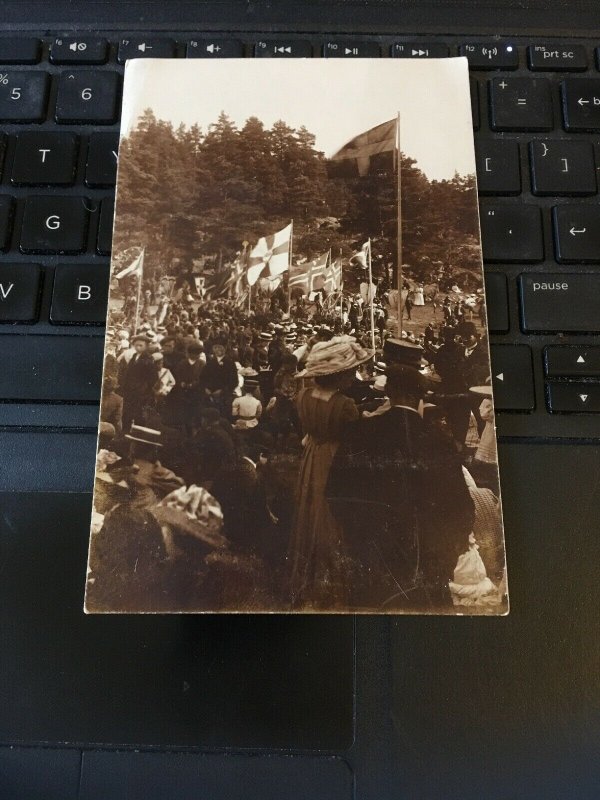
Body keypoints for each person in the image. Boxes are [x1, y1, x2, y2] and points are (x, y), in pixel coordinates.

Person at [327, 364, 474, 609]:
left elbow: (336, 493)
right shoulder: (438, 440)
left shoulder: (361, 431)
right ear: (420, 396)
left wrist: (357, 536)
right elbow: (461, 509)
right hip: (424, 563)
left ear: (389, 392)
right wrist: (445, 557)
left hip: (373, 557)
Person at [288, 335, 374, 609]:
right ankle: (331, 579)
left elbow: (319, 422)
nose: (352, 377)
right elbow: (351, 430)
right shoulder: (344, 403)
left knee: (311, 506)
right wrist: (368, 415)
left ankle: (309, 574)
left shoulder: (303, 395)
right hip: (333, 458)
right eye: (349, 373)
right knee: (330, 513)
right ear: (339, 376)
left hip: (312, 454)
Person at [120, 334, 159, 432]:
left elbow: (153, 377)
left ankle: (138, 433)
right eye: (136, 345)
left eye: (141, 345)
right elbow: (129, 372)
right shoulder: (134, 356)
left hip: (141, 392)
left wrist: (145, 388)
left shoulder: (148, 359)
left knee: (139, 414)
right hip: (130, 389)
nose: (138, 347)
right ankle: (125, 431)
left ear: (146, 346)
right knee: (127, 412)